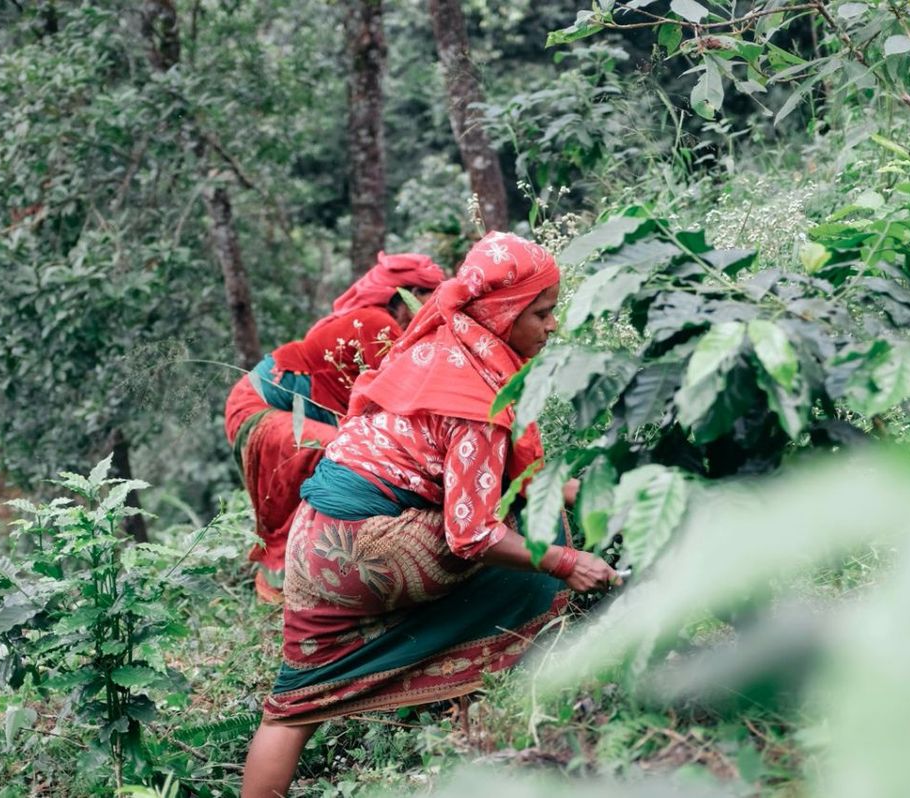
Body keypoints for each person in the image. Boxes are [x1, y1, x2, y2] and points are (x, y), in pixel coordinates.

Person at [240, 233, 621, 798]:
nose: (551, 327)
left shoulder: (436, 346)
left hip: (313, 540)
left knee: (290, 708)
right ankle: (478, 727)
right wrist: (567, 562)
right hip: (369, 543)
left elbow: (453, 467)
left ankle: (458, 721)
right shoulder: (478, 398)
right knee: (527, 557)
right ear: (504, 312)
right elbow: (470, 534)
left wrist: (573, 488)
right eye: (541, 313)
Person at [224, 252, 445, 602]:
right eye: (430, 296)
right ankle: (288, 580)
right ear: (407, 294)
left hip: (279, 405)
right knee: (335, 453)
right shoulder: (376, 323)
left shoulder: (381, 323)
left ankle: (313, 572)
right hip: (259, 407)